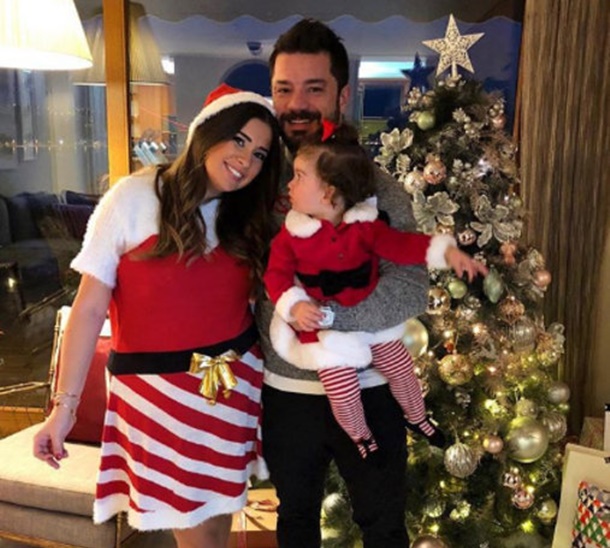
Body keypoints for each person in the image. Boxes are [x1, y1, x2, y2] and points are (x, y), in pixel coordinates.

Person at [32, 84, 281, 548]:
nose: (246, 160)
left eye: (260, 154)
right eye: (239, 140)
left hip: (232, 387)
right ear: (208, 133)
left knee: (219, 521)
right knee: (194, 532)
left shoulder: (246, 214)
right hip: (156, 397)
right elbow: (89, 308)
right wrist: (64, 409)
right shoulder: (134, 196)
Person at [255, 18, 437, 548]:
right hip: (287, 392)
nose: (297, 104)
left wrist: (331, 322)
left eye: (314, 88)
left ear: (342, 96)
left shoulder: (377, 189)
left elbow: (411, 288)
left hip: (371, 387)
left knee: (383, 526)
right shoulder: (258, 187)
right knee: (294, 524)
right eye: (284, 89)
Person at [263, 122, 487, 460]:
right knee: (342, 390)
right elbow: (276, 276)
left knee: (400, 367)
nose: (290, 185)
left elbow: (403, 245)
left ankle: (418, 417)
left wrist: (447, 252)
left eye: (299, 176)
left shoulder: (365, 228)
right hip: (325, 333)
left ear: (328, 193)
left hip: (371, 321)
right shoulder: (291, 236)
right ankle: (361, 437)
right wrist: (294, 307)